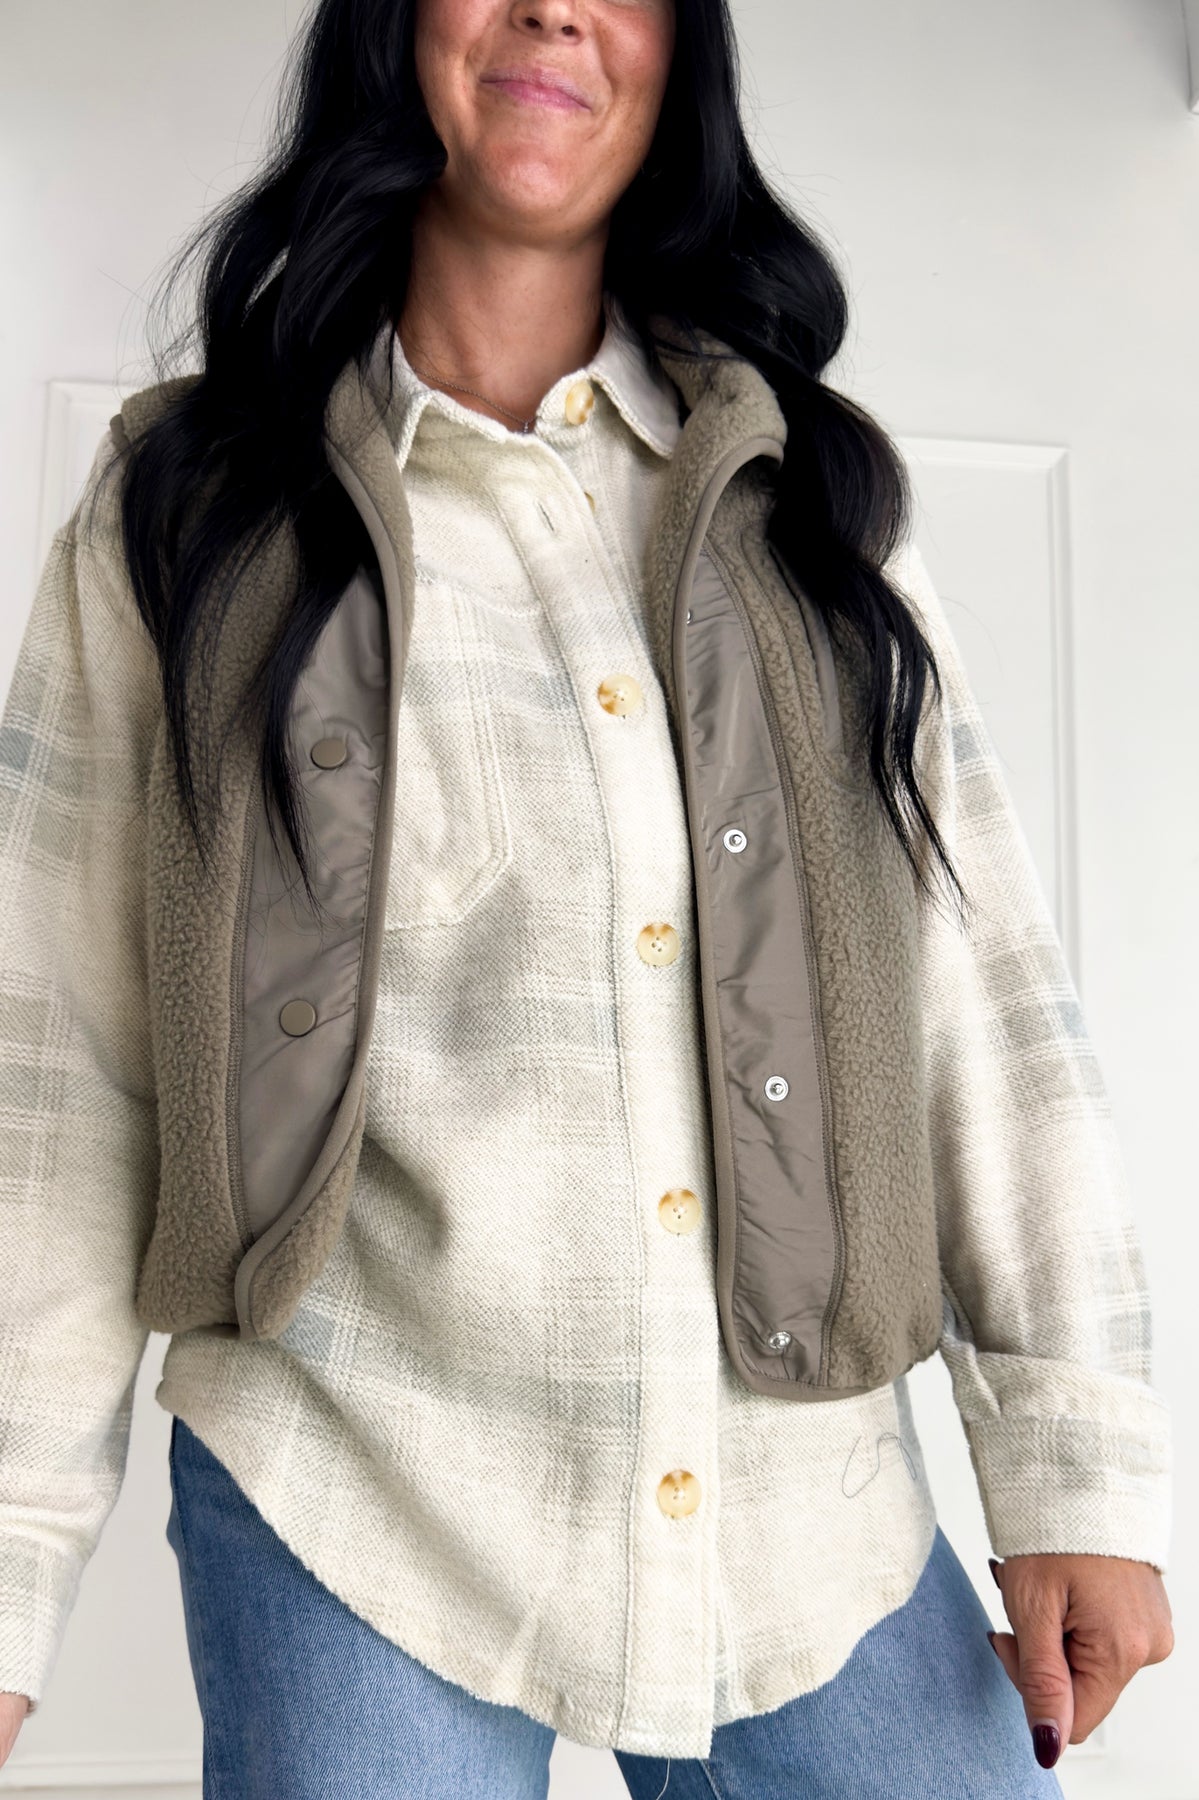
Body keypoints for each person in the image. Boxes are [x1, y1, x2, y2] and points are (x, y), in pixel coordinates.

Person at [0, 0, 1174, 1793]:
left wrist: (1072, 1463)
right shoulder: (189, 504)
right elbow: (58, 1065)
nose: (556, 6)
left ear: (676, 57)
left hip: (807, 1517)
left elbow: (973, 975)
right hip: (353, 1491)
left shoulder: (806, 498)